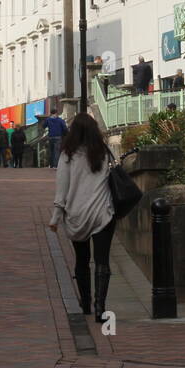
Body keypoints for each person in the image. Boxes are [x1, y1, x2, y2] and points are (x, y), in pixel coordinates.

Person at [48, 113, 116, 323]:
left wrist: (56, 217)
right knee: (102, 261)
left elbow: (62, 188)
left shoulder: (68, 155)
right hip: (102, 212)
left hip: (77, 214)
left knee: (82, 260)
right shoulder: (104, 153)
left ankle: (85, 303)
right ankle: (100, 308)